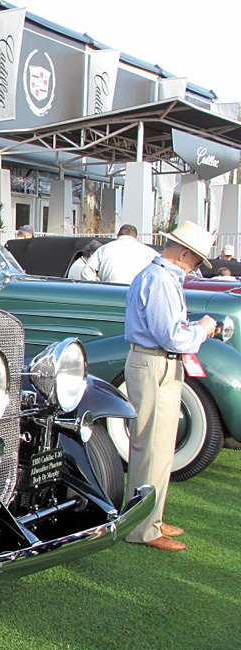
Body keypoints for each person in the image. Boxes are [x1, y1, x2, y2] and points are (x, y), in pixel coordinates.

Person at [123, 221, 220, 552]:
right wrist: (203, 330)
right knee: (151, 448)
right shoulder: (161, 280)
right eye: (195, 261)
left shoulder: (160, 277)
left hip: (159, 362)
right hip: (155, 362)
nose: (195, 267)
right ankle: (142, 527)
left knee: (159, 448)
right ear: (183, 254)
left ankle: (151, 518)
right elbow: (172, 336)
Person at [90, 224, 157, 284]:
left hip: (109, 292)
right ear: (136, 237)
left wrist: (96, 288)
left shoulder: (104, 249)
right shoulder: (149, 252)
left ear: (118, 235)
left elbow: (87, 271)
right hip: (137, 293)